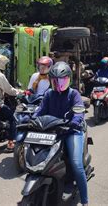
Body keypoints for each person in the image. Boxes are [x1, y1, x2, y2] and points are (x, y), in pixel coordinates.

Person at [34, 62, 89, 206]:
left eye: (62, 80)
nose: (58, 84)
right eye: (55, 81)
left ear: (68, 79)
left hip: (71, 131)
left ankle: (85, 201)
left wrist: (75, 121)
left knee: (76, 164)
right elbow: (39, 111)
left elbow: (79, 111)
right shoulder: (48, 94)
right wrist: (30, 119)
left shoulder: (73, 94)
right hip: (53, 132)